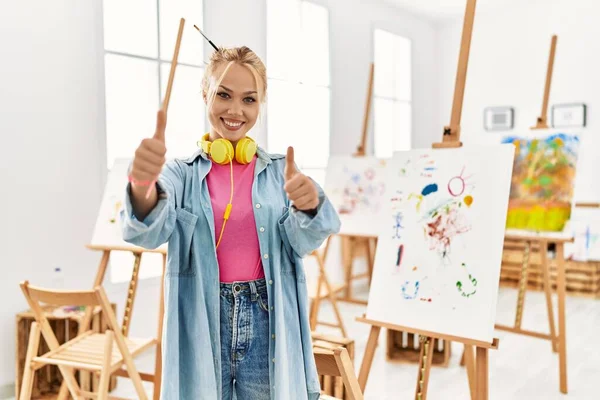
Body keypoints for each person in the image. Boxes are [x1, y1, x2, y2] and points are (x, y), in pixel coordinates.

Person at [121, 46, 341, 400]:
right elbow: (148, 230)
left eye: (249, 99)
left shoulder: (279, 173)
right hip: (203, 319)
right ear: (206, 93)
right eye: (224, 94)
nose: (235, 110)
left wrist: (309, 205)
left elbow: (305, 242)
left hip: (267, 318)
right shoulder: (180, 173)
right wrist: (142, 185)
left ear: (260, 105)